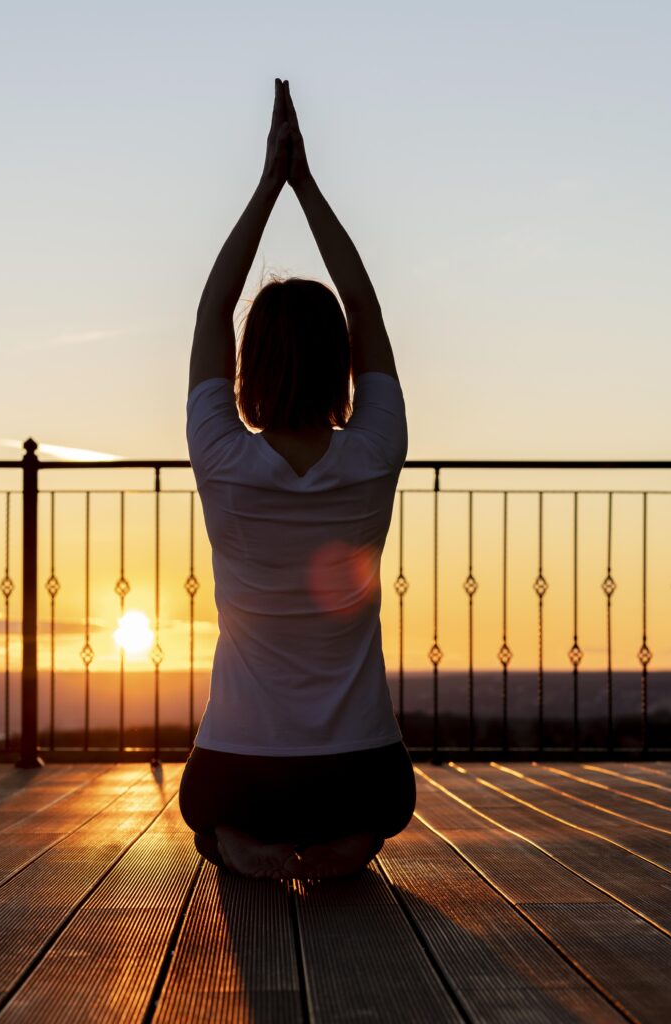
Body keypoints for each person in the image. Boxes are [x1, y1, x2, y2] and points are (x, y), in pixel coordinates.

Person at [179, 79, 415, 881]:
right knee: (386, 809)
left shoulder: (224, 457)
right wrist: (306, 186)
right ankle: (350, 844)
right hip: (362, 774)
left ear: (247, 370)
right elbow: (364, 306)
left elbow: (213, 313)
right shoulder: (373, 450)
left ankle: (240, 844)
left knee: (201, 807)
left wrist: (265, 188)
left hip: (242, 770)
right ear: (340, 367)